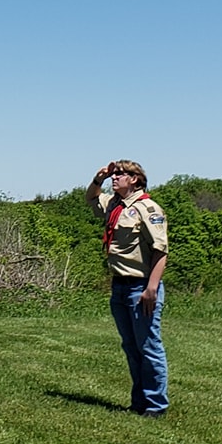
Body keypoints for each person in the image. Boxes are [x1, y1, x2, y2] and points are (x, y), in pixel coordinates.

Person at [85, 159, 170, 414]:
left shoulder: (148, 208)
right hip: (119, 285)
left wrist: (152, 288)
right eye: (114, 174)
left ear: (135, 179)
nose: (115, 177)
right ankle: (139, 402)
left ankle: (156, 405)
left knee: (148, 346)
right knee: (131, 347)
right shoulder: (114, 205)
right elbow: (91, 199)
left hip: (141, 286)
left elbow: (161, 251)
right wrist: (99, 177)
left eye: (121, 174)